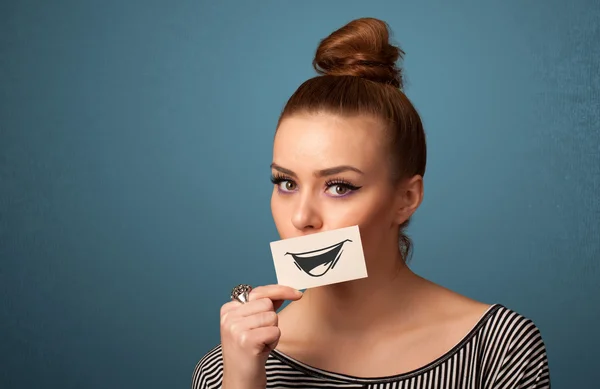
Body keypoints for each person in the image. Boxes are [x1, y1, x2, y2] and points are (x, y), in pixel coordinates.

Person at [191, 17, 551, 389]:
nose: (302, 217)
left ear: (406, 199)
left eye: (340, 187)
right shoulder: (230, 367)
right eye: (286, 183)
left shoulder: (499, 350)